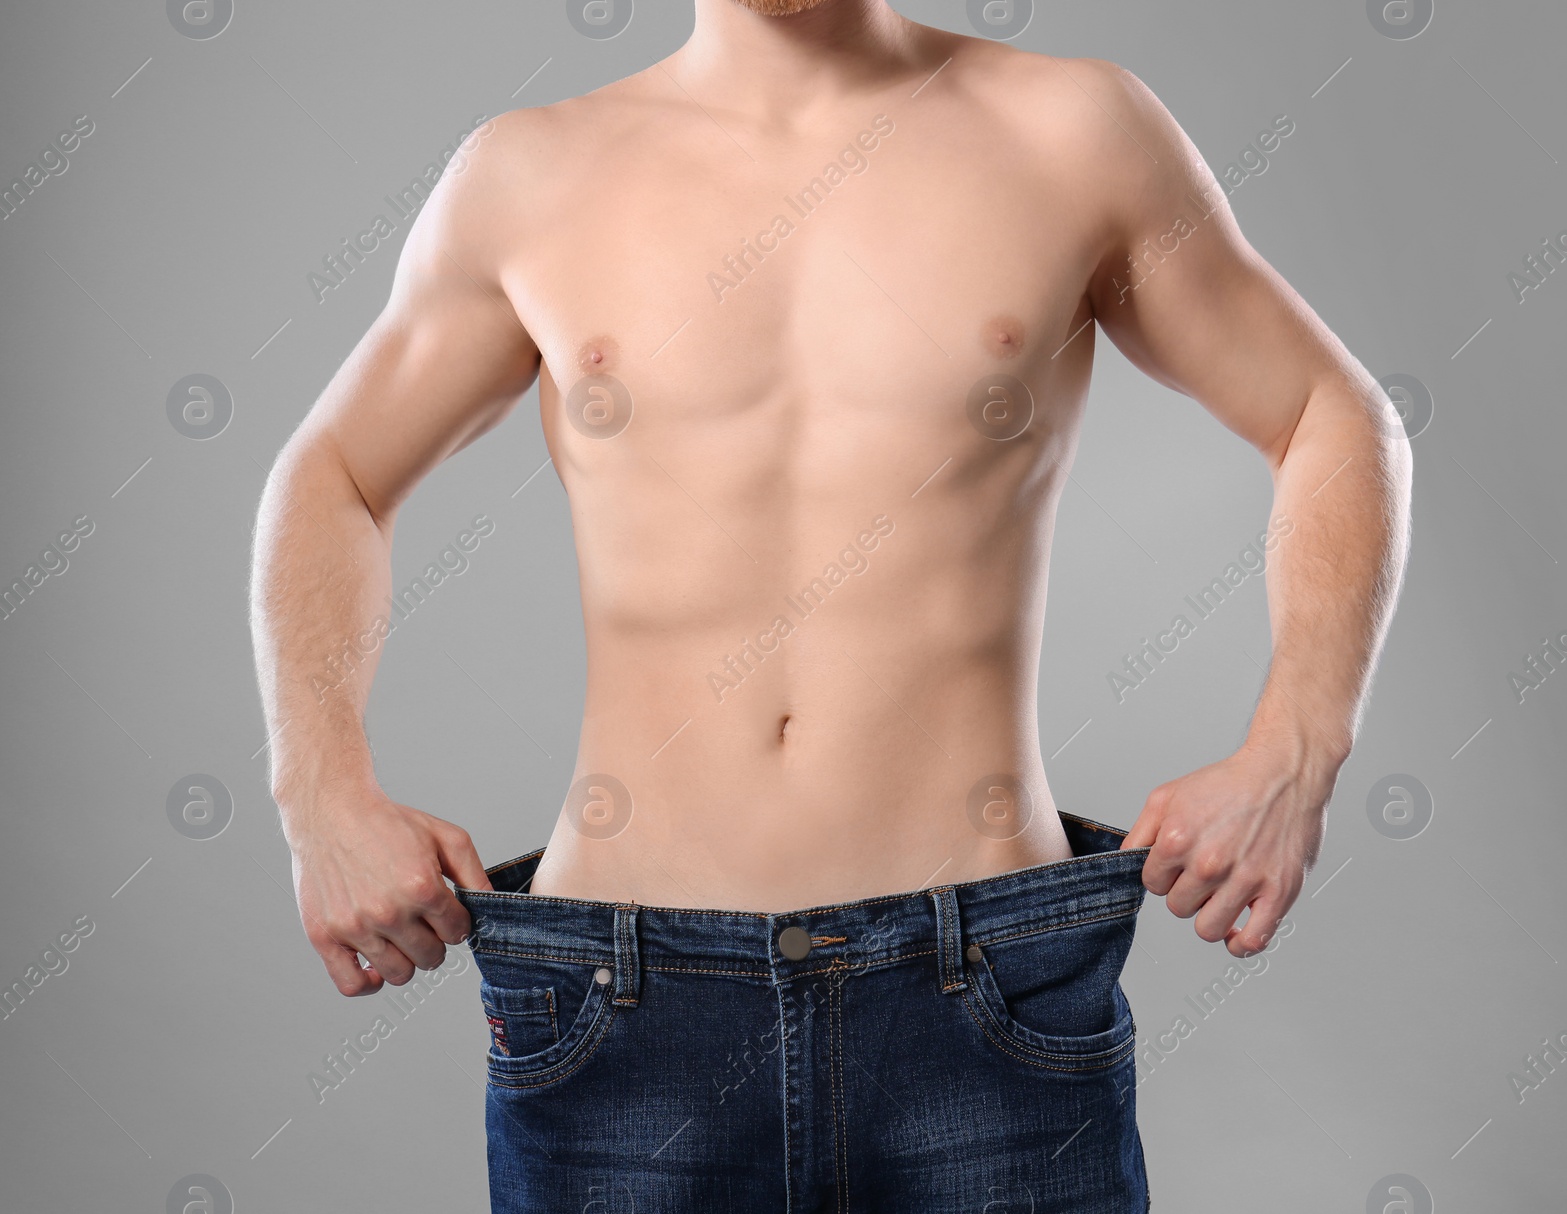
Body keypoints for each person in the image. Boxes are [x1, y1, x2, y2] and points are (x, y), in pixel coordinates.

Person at [249, 1, 1412, 1208]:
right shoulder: (530, 173)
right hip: (623, 1003)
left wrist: (1297, 747)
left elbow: (1331, 413)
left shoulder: (1071, 132)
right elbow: (333, 474)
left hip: (983, 995)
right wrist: (320, 791)